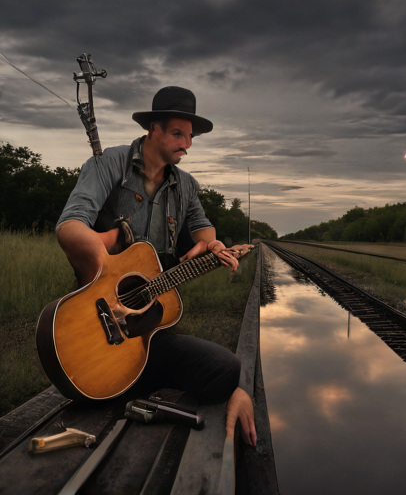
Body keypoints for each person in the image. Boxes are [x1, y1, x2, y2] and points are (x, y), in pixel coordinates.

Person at [56, 86, 257, 446]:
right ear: (154, 130)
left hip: (144, 332)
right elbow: (70, 226)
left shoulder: (185, 185)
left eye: (190, 137)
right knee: (98, 390)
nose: (187, 145)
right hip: (97, 322)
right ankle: (110, 380)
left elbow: (202, 227)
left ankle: (133, 384)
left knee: (227, 370)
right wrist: (111, 264)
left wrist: (212, 244)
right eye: (178, 134)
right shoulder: (109, 164)